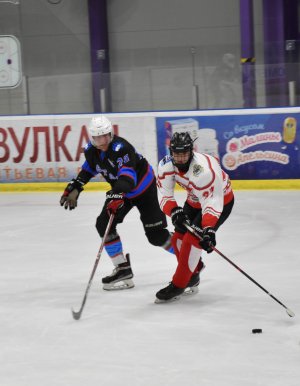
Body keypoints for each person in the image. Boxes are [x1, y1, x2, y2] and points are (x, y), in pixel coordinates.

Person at [60, 115, 174, 290]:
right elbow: (89, 169)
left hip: (143, 189)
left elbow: (128, 177)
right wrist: (76, 186)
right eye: (98, 137)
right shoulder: (91, 150)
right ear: (93, 138)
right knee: (103, 224)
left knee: (156, 235)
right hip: (121, 191)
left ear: (111, 134)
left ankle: (189, 260)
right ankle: (123, 269)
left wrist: (117, 194)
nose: (102, 140)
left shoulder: (122, 148)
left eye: (105, 136)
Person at [155, 131, 234, 302]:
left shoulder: (204, 170)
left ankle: (179, 284)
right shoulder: (166, 165)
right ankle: (193, 272)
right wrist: (174, 211)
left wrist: (209, 230)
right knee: (178, 238)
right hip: (193, 201)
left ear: (191, 151)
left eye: (184, 154)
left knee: (192, 240)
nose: (180, 158)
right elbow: (164, 195)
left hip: (220, 202)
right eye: (177, 154)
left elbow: (212, 203)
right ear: (171, 152)